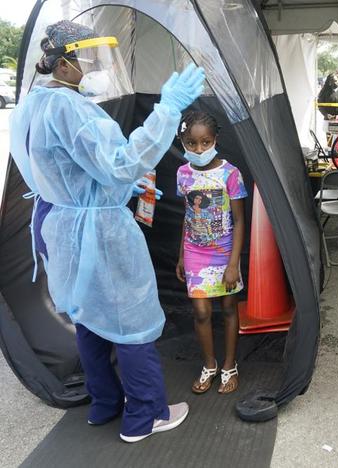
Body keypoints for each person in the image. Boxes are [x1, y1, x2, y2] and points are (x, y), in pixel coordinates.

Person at [9, 20, 206, 442]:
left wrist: (113, 185)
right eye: (86, 58)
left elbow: (64, 166)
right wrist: (168, 109)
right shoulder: (72, 108)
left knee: (90, 319)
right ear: (62, 64)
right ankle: (146, 417)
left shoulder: (31, 105)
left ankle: (104, 404)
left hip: (61, 223)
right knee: (131, 322)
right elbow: (120, 161)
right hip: (97, 230)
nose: (95, 67)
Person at [175, 111, 247, 395]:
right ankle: (210, 364)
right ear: (183, 142)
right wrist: (182, 254)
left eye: (205, 142)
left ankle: (230, 365)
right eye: (192, 143)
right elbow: (187, 216)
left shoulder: (230, 174)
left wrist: (233, 264)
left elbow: (240, 220)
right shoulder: (183, 174)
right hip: (195, 252)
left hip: (225, 252)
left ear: (215, 140)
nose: (199, 149)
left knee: (229, 308)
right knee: (201, 311)